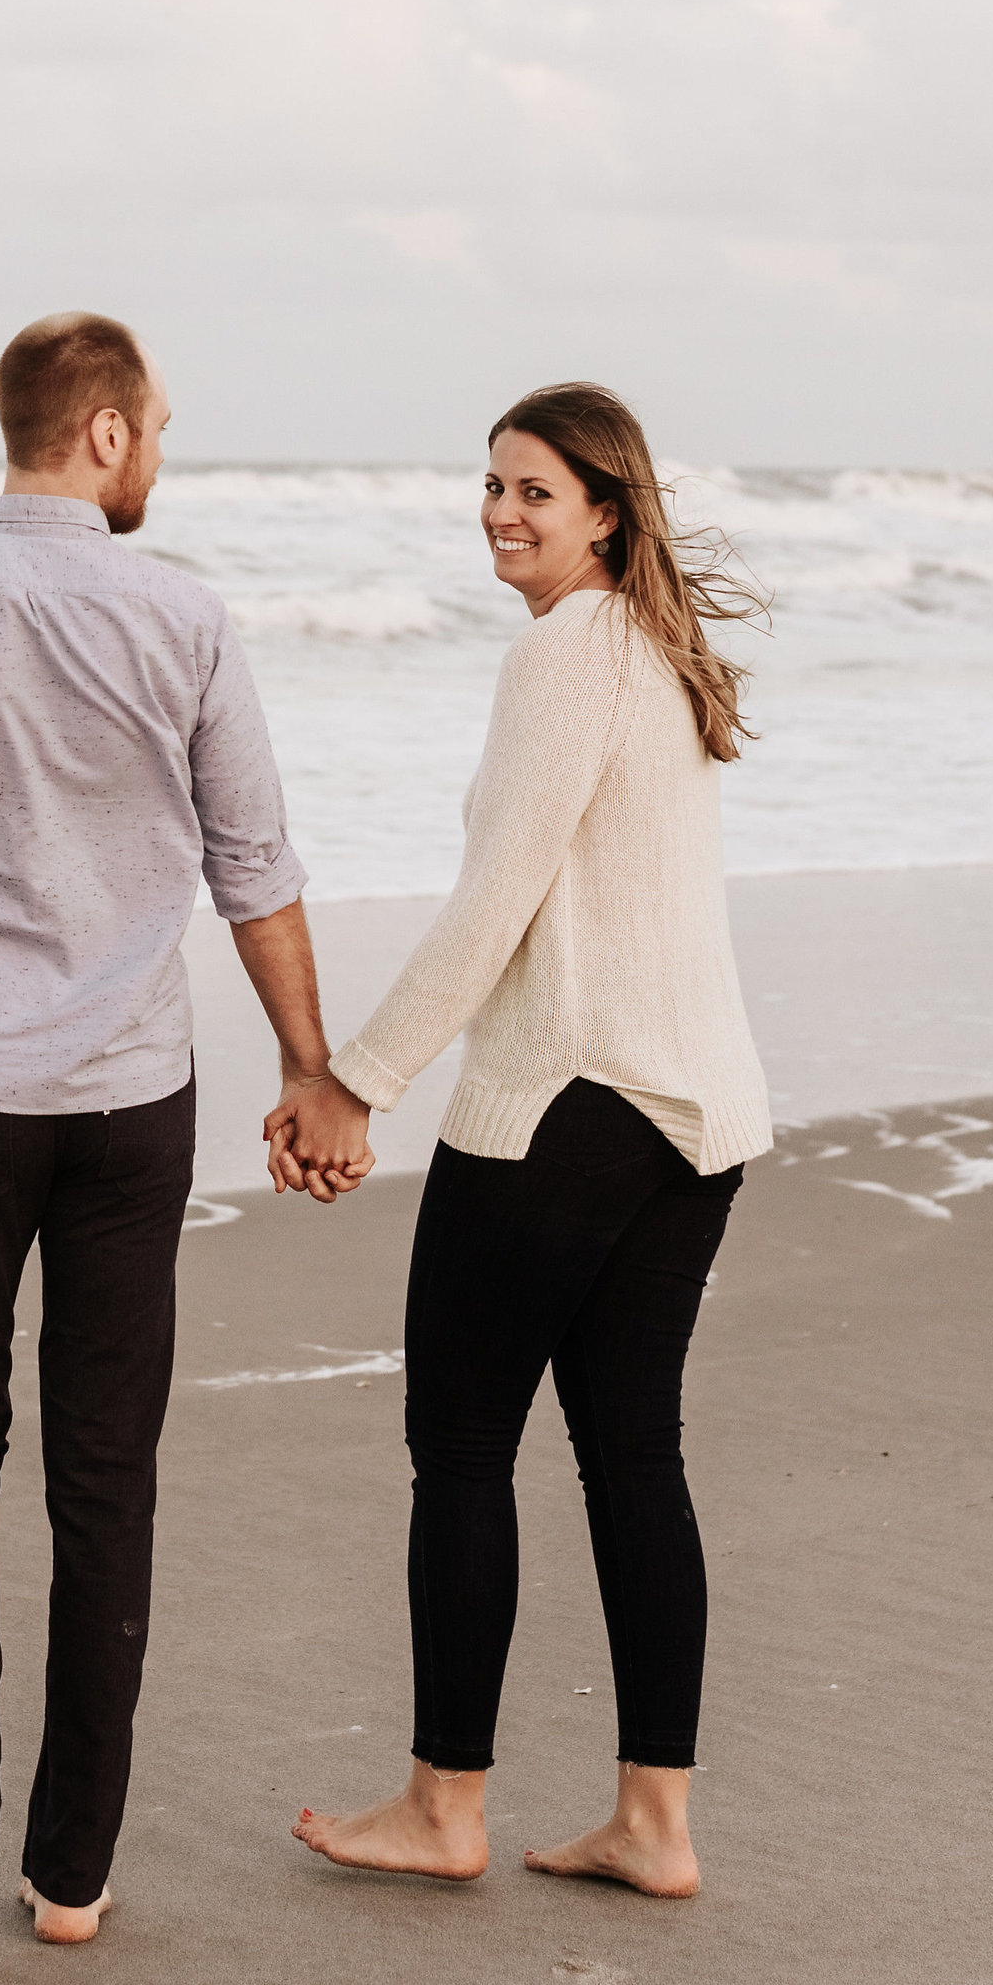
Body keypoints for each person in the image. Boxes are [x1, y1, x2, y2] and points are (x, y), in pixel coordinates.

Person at [0, 312, 365, 1951]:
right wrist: (310, 1065)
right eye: (162, 429)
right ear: (107, 434)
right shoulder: (184, 615)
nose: (163, 455)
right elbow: (254, 863)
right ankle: (72, 1872)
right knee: (104, 1478)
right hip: (132, 1103)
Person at [271, 381, 771, 1902]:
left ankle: (444, 1805)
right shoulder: (664, 654)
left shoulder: (568, 651)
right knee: (634, 1456)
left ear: (607, 510)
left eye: (534, 489)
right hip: (696, 1116)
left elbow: (496, 904)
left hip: (564, 1108)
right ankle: (656, 1818)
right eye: (490, 484)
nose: (499, 510)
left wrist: (355, 1077)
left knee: (462, 1450)